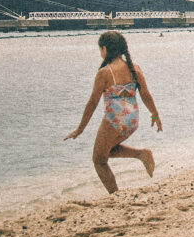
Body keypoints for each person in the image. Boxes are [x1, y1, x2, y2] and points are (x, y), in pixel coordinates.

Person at [64, 31, 160, 193]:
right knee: (106, 151)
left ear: (105, 49)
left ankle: (115, 195)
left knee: (99, 160)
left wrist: (80, 129)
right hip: (132, 120)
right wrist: (155, 115)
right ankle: (141, 154)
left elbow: (92, 103)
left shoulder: (105, 73)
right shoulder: (134, 68)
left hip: (114, 120)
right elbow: (146, 95)